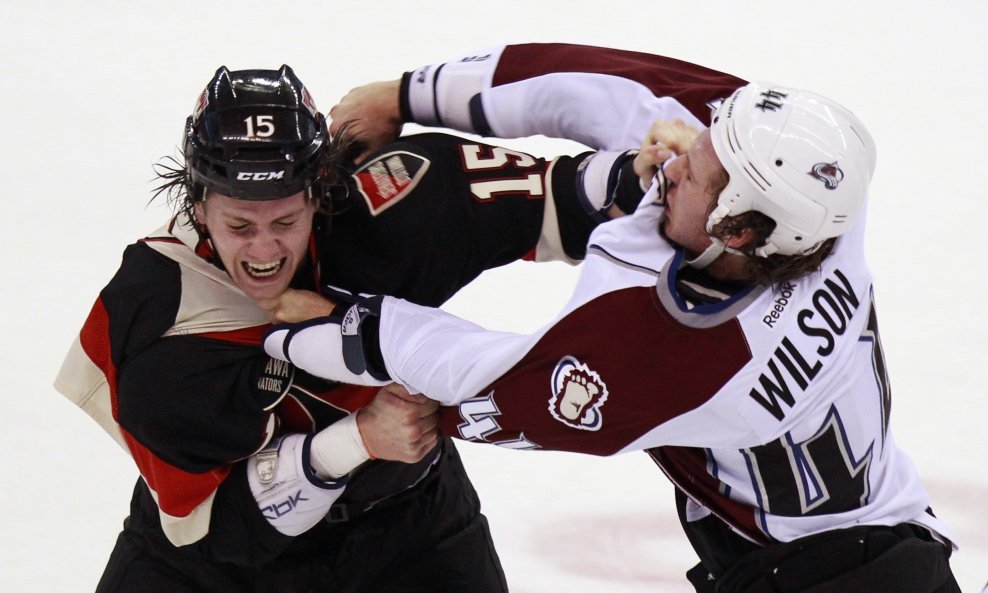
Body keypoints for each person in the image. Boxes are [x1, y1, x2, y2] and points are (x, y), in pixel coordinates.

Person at [262, 44, 961, 592]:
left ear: (738, 231)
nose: (685, 153)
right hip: (881, 545)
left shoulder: (698, 362)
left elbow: (488, 383)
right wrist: (408, 93)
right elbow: (601, 81)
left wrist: (328, 326)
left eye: (703, 171)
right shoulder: (820, 206)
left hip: (819, 573)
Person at [52, 57, 691, 592]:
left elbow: (569, 199)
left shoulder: (397, 203)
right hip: (210, 561)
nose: (265, 252)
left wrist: (646, 173)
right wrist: (361, 437)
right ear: (196, 204)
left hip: (410, 522)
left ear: (320, 189)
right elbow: (228, 531)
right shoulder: (157, 315)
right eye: (239, 226)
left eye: (286, 222)